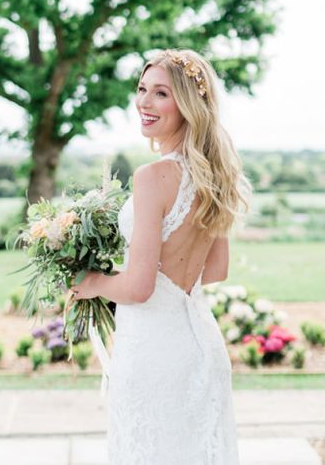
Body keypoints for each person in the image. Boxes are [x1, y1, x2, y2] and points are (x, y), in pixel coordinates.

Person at [70, 48, 251, 465]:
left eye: (160, 94)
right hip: (201, 347)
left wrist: (89, 282)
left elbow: (138, 286)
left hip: (153, 353)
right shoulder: (216, 175)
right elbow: (216, 270)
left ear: (188, 105)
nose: (144, 103)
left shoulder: (152, 177)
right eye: (141, 89)